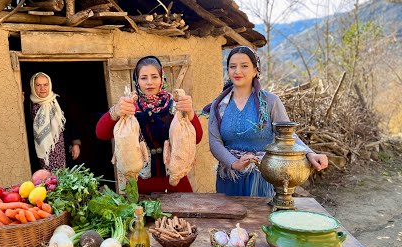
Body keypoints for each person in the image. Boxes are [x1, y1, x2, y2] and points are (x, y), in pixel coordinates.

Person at [206, 46, 328, 197]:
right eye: (232, 67)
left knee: (262, 218)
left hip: (264, 176)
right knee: (230, 219)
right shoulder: (219, 105)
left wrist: (310, 153)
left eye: (244, 66)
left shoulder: (270, 102)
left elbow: (287, 137)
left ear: (256, 70)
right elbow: (215, 142)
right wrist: (234, 163)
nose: (237, 71)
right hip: (230, 177)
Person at [96, 55, 203, 194]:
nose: (149, 82)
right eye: (143, 78)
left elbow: (198, 137)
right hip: (141, 187)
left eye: (154, 77)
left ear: (161, 78)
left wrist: (189, 112)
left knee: (180, 216)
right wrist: (115, 111)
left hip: (176, 183)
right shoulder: (128, 108)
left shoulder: (176, 106)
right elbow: (101, 133)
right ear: (137, 80)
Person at [27, 72, 81, 172]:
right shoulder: (29, 104)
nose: (42, 88)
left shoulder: (58, 102)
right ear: (33, 86)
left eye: (45, 85)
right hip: (41, 150)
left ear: (50, 85)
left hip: (62, 148)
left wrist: (75, 144)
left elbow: (70, 122)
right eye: (38, 85)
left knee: (65, 177)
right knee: (44, 179)